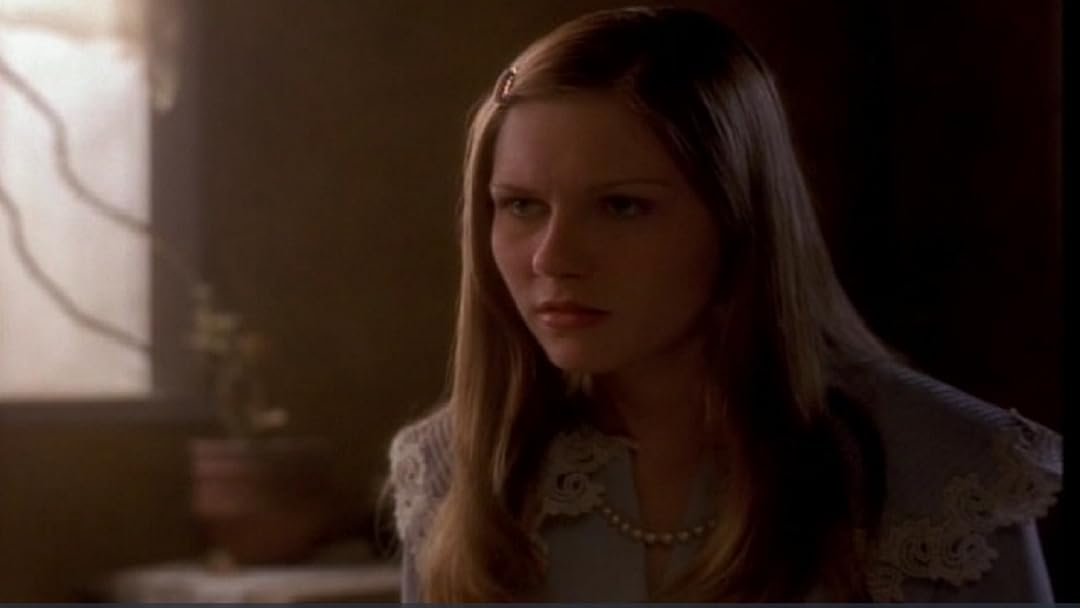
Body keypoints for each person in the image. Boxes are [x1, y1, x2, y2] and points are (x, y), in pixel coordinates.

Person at [387, 6, 1061, 602]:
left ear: (739, 219)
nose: (552, 258)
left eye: (621, 206)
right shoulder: (454, 473)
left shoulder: (942, 478)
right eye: (521, 206)